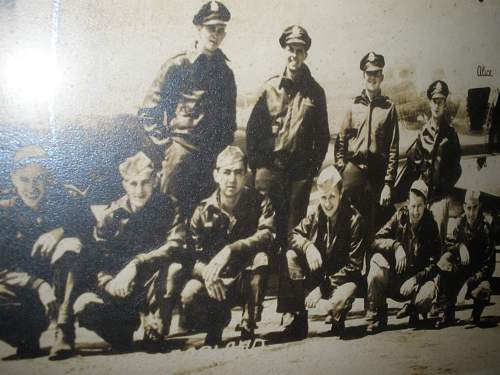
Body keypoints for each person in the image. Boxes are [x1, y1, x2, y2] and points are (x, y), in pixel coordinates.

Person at [73, 152, 187, 351]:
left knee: (174, 268)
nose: (139, 190)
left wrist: (137, 263)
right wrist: (109, 284)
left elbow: (175, 245)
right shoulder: (110, 216)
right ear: (125, 185)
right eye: (133, 184)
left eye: (145, 183)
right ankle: (122, 332)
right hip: (123, 289)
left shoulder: (169, 206)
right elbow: (99, 261)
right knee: (83, 306)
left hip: (154, 285)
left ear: (155, 181)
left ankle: (156, 326)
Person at [138, 0, 236, 216]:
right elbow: (147, 113)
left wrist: (220, 157)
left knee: (204, 222)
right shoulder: (178, 66)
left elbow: (229, 123)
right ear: (199, 29)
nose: (215, 35)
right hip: (181, 158)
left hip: (211, 162)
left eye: (221, 30)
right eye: (211, 29)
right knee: (170, 220)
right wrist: (168, 149)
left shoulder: (226, 73)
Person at [180, 146, 275, 345]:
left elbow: (267, 234)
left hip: (244, 278)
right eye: (226, 172)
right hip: (216, 281)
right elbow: (190, 256)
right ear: (216, 175)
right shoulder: (203, 211)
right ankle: (216, 322)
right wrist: (206, 273)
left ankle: (249, 322)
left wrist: (231, 249)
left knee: (261, 258)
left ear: (246, 175)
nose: (232, 179)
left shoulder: (259, 202)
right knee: (188, 295)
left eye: (238, 172)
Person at [246, 24, 330, 248]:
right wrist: (260, 170)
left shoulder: (316, 92)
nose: (294, 55)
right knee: (265, 231)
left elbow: (323, 137)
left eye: (299, 50)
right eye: (291, 49)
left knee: (293, 234)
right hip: (270, 171)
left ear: (306, 54)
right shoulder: (269, 88)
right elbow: (252, 132)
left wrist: (311, 170)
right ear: (285, 50)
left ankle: (290, 281)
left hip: (299, 175)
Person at [0, 145, 84, 359]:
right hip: (29, 291)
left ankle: (63, 330)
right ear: (13, 178)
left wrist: (60, 231)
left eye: (38, 179)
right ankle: (25, 336)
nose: (32, 187)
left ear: (48, 179)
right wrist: (38, 285)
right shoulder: (5, 212)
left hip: (63, 291)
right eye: (24, 180)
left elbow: (88, 231)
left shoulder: (65, 201)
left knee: (71, 245)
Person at [279, 166, 366, 339]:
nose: (327, 203)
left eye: (332, 197)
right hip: (319, 274)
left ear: (341, 193)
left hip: (343, 279)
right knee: (291, 256)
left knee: (336, 303)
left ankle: (337, 315)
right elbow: (293, 235)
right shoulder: (316, 214)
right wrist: (308, 246)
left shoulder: (355, 220)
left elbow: (354, 266)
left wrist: (322, 289)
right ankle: (299, 317)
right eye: (323, 197)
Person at [334, 51, 399, 239]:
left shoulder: (389, 108)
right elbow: (340, 142)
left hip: (376, 178)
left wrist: (388, 184)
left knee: (374, 228)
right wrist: (343, 169)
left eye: (376, 73)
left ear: (382, 77)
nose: (372, 78)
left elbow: (393, 149)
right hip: (353, 175)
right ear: (363, 76)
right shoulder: (353, 107)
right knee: (349, 226)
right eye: (369, 73)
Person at [366, 179, 441, 333]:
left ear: (426, 205)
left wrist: (416, 279)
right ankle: (378, 315)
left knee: (429, 292)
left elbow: (435, 265)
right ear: (407, 203)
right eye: (413, 206)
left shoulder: (431, 225)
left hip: (414, 284)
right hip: (395, 278)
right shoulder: (399, 216)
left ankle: (414, 308)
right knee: (376, 263)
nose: (415, 211)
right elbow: (375, 240)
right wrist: (396, 246)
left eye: (420, 206)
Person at [407, 80, 461, 242]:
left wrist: (444, 188)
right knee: (421, 242)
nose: (437, 106)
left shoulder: (451, 135)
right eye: (434, 101)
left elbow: (456, 169)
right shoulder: (422, 134)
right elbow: (415, 168)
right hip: (423, 200)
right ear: (430, 103)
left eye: (441, 102)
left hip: (440, 199)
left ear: (445, 104)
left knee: (438, 242)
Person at [434, 190, 496, 328]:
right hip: (461, 270)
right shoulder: (460, 223)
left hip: (477, 275)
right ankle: (448, 314)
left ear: (479, 206)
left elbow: (489, 266)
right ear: (464, 206)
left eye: (475, 208)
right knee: (445, 261)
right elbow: (448, 246)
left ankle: (476, 315)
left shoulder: (486, 228)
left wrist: (469, 282)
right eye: (468, 208)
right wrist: (459, 246)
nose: (471, 213)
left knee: (484, 288)